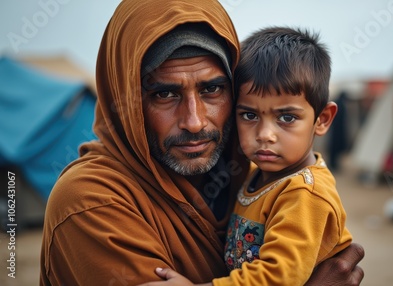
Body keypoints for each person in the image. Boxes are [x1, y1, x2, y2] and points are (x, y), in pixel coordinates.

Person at [40, 0, 364, 285]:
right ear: (126, 101)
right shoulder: (92, 202)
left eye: (212, 90)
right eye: (164, 94)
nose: (194, 121)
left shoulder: (251, 175)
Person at [148, 26, 353, 286]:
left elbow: (279, 276)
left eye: (287, 117)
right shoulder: (258, 177)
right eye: (249, 115)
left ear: (322, 119)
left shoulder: (304, 193)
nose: (265, 134)